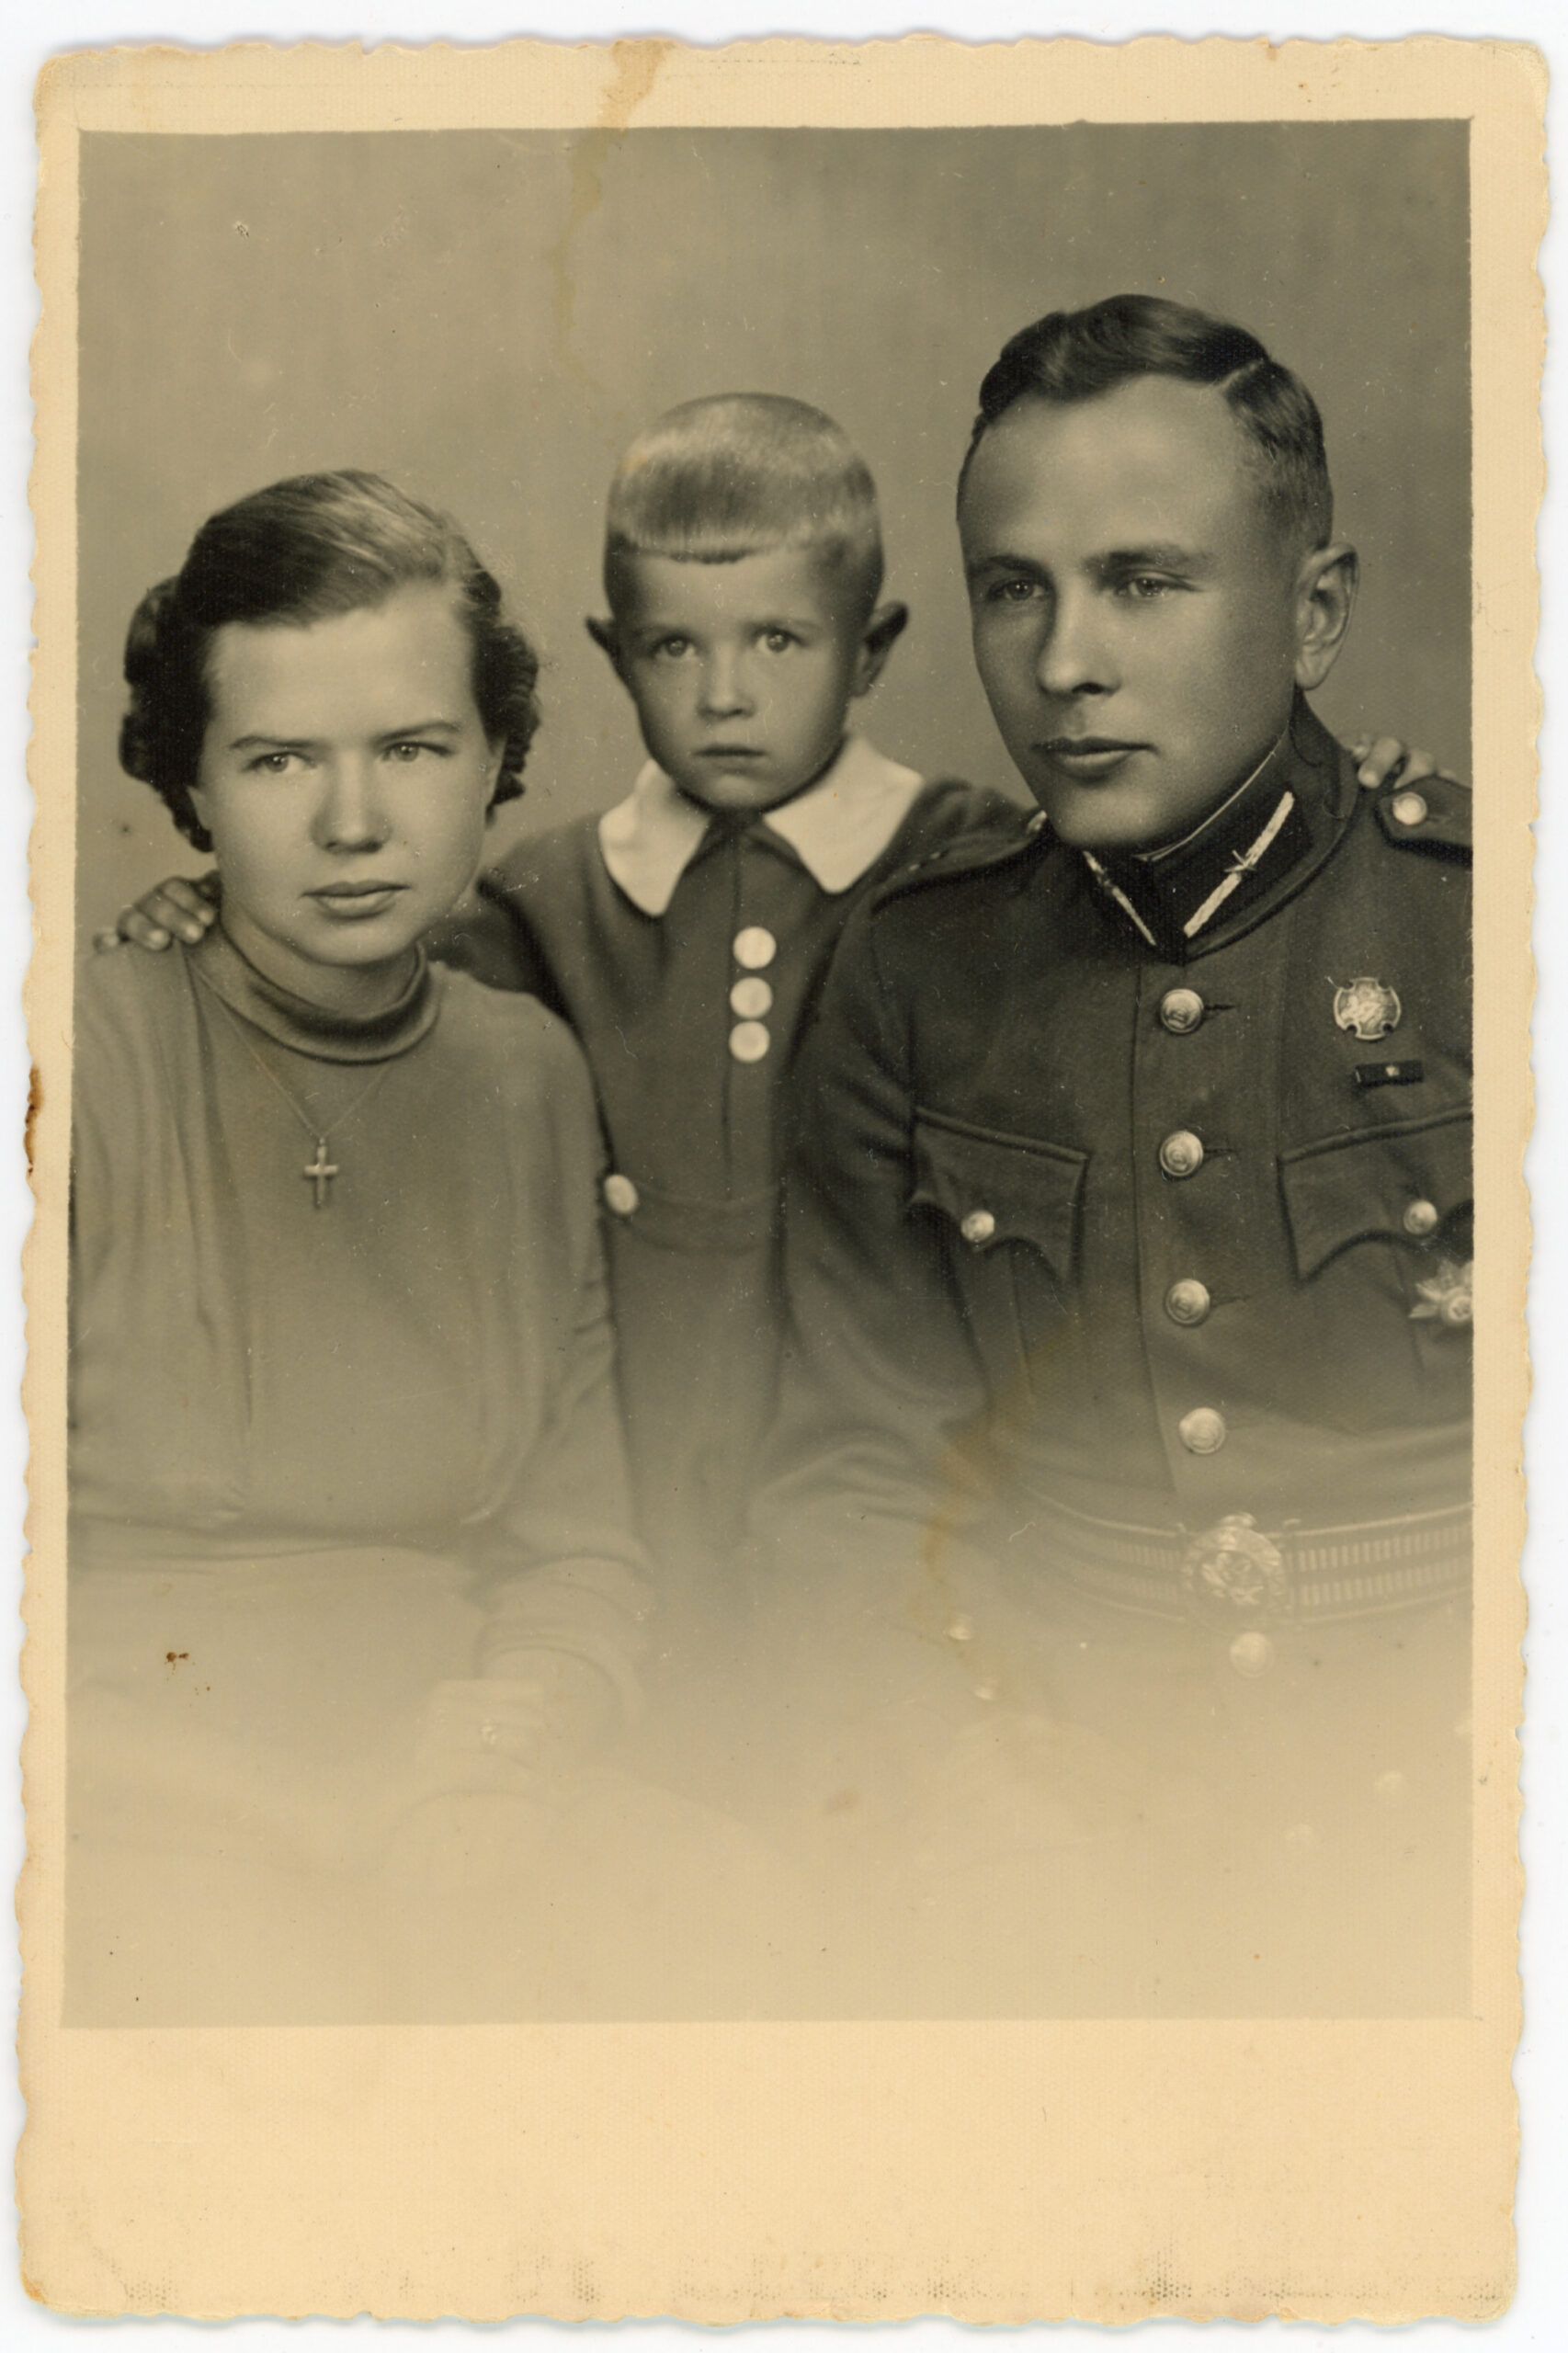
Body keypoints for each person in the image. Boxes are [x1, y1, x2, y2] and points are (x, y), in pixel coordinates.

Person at [111, 396, 1439, 1627]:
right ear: (613, 654)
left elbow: (1201, 917)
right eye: (674, 648)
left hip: (914, 1494)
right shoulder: (533, 900)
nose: (726, 695)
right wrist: (195, 905)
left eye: (778, 643)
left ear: (869, 654)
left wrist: (1348, 796)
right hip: (635, 1489)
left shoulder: (979, 867)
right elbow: (352, 976)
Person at [755, 298, 1472, 2015]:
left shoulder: (1494, 928)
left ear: (1314, 613)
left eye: (1144, 582)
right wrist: (960, 1797)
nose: (1063, 657)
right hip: (1056, 1813)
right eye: (1015, 587)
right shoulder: (916, 971)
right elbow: (854, 1483)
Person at [70, 472, 659, 2025]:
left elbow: (578, 1544)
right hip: (132, 1814)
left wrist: (522, 1745)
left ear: (494, 766)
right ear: (187, 785)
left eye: (410, 749)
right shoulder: (73, 1061)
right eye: (277, 760)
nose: (351, 822)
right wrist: (323, 1818)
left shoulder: (528, 1074)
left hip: (459, 1796)